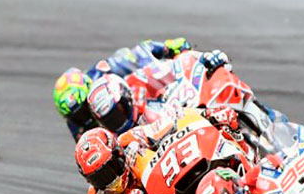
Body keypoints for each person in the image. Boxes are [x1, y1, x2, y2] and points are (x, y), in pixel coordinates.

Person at [53, 38, 192, 141]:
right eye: (77, 116)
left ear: (89, 86)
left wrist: (166, 47)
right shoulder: (76, 126)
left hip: (150, 100)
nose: (85, 117)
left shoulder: (104, 70)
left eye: (84, 108)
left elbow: (140, 52)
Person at [86, 50, 232, 135]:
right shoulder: (116, 142)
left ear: (126, 96)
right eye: (110, 120)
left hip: (185, 117)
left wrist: (202, 59)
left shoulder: (137, 81)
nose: (119, 121)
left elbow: (177, 65)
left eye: (119, 112)